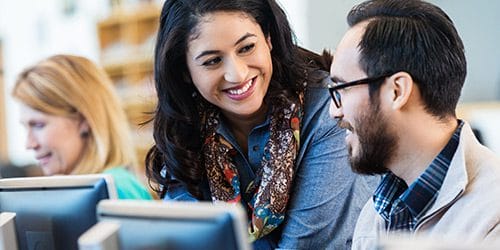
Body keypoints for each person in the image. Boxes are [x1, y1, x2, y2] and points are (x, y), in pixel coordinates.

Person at [145, 0, 376, 249]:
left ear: (268, 39)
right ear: (184, 71)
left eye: (246, 47)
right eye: (212, 61)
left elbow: (305, 246)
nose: (238, 74)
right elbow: (185, 241)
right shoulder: (185, 128)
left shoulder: (330, 110)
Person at [327, 0, 500, 249]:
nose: (335, 111)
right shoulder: (376, 212)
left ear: (397, 91)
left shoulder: (491, 216)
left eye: (341, 89)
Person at [13, 54, 152, 200]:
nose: (29, 144)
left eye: (38, 125)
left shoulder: (115, 189)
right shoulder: (81, 190)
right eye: (26, 128)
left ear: (84, 120)